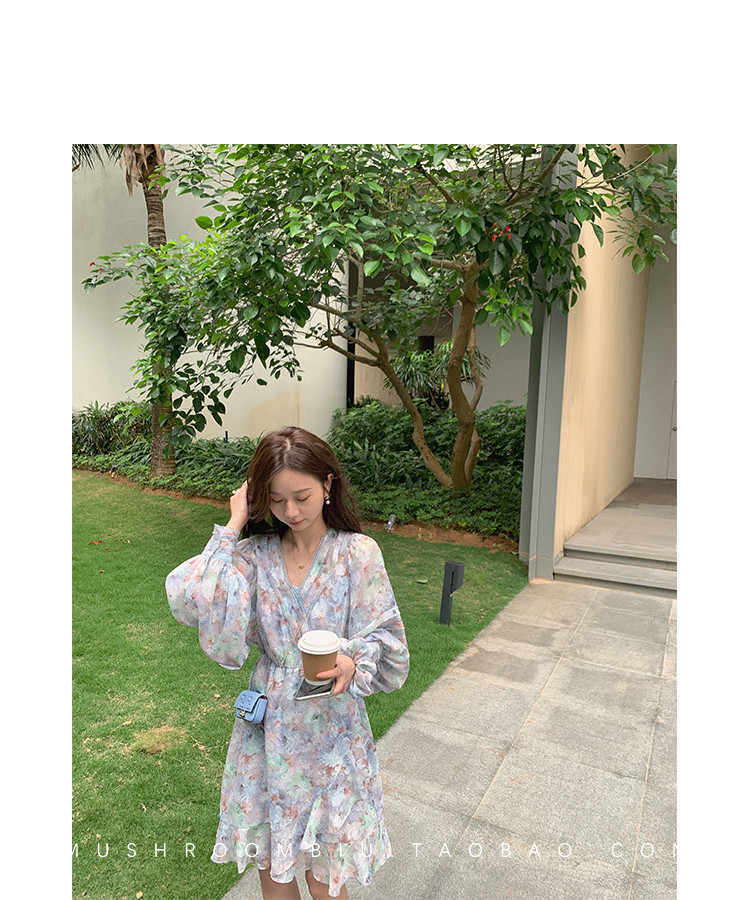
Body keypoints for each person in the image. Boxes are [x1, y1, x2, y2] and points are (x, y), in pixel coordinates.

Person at [166, 426, 410, 899]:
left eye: (302, 496)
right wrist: (233, 524)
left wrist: (353, 661)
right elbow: (191, 597)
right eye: (276, 500)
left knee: (324, 877)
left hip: (332, 733)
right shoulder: (252, 558)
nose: (291, 511)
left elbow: (390, 643)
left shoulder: (357, 554)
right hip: (268, 733)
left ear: (328, 484)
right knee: (273, 869)